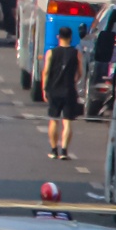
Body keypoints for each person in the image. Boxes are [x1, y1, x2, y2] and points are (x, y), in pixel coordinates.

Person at [42, 27, 83, 158]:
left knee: (54, 120)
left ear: (58, 37)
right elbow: (80, 73)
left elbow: (46, 72)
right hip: (69, 90)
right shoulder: (76, 53)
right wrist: (74, 80)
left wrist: (44, 88)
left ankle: (54, 150)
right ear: (70, 37)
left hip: (54, 90)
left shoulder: (51, 53)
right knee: (67, 121)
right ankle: (64, 150)